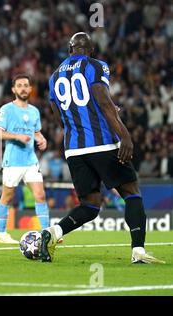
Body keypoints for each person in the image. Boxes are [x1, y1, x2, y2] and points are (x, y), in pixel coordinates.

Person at [43, 32, 164, 264]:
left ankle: (52, 233)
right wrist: (125, 136)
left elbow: (59, 117)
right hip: (102, 144)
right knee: (131, 192)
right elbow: (103, 101)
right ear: (91, 50)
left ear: (70, 50)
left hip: (74, 148)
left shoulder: (53, 76)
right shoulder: (96, 66)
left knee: (89, 205)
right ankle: (138, 251)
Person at [0, 74, 50, 244]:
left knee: (40, 195)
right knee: (7, 197)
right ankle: (1, 233)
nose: (23, 88)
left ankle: (46, 234)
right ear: (13, 89)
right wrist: (17, 136)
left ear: (31, 89)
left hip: (30, 160)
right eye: (19, 85)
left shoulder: (34, 111)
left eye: (26, 85)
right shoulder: (6, 109)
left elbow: (36, 132)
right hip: (13, 161)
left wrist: (42, 139)